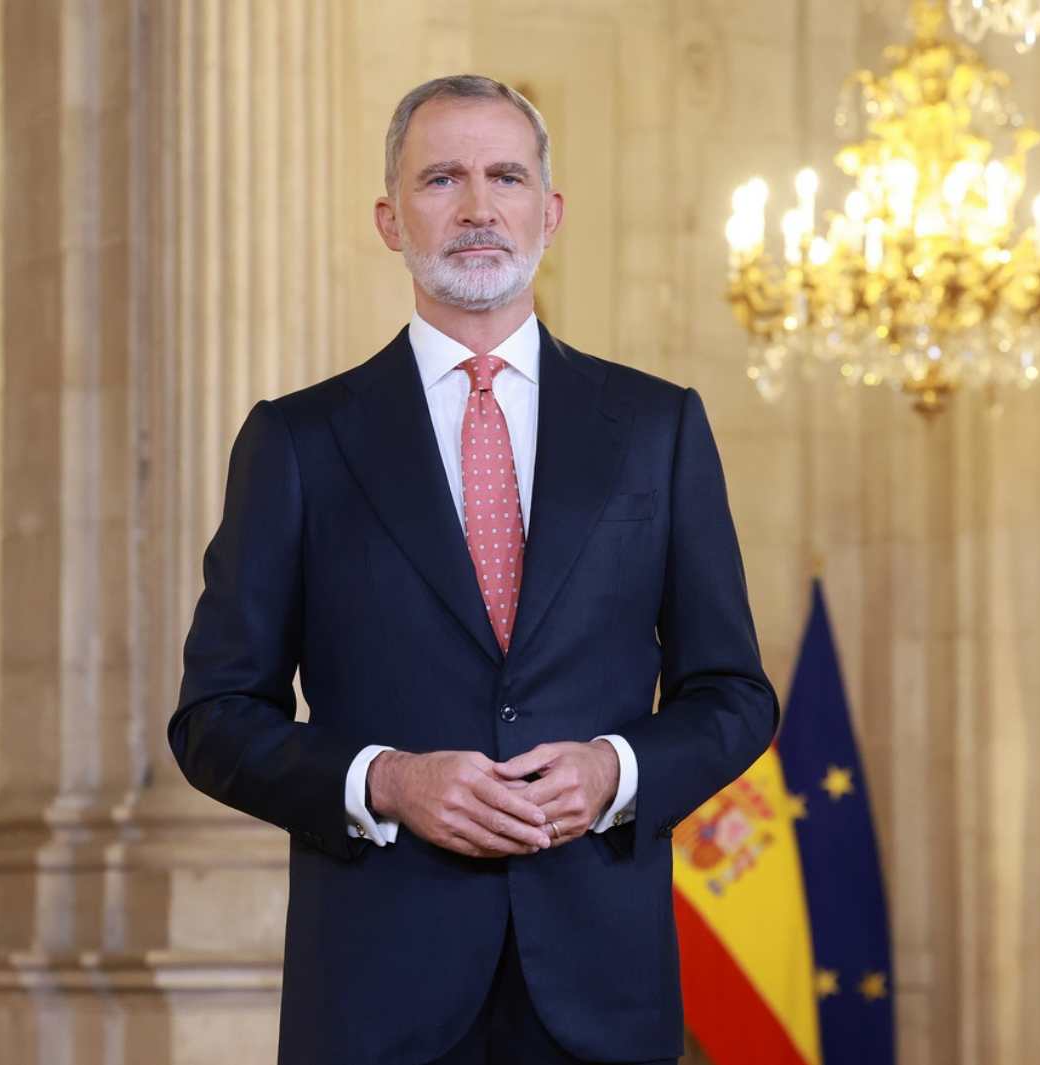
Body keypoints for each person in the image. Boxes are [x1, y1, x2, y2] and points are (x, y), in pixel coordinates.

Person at [168, 74, 778, 1065]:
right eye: (441, 178)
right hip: (374, 999)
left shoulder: (657, 430)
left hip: (600, 991)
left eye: (506, 176)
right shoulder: (298, 441)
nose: (478, 207)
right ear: (388, 217)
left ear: (551, 209)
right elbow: (213, 718)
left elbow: (734, 695)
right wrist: (388, 782)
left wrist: (613, 771)